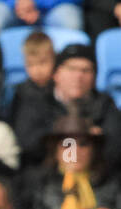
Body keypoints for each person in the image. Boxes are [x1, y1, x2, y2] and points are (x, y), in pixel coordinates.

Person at [13, 44, 121, 177]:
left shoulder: (104, 104)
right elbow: (27, 142)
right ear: (56, 74)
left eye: (86, 70)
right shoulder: (37, 101)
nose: (78, 76)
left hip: (95, 177)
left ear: (94, 78)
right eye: (72, 69)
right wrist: (75, 132)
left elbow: (115, 147)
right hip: (44, 179)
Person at [16, 115, 121, 209]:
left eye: (83, 144)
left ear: (93, 150)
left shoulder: (112, 182)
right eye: (67, 144)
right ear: (55, 149)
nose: (75, 151)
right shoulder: (37, 184)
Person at [0, 0, 85, 32]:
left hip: (54, 7)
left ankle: (65, 76)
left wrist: (37, 3)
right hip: (11, 5)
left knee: (71, 24)